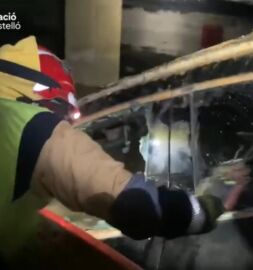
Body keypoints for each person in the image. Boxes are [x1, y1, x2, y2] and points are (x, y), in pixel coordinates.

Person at [0, 36, 225, 257]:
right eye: (66, 117)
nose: (66, 125)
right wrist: (201, 211)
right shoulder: (36, 126)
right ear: (51, 98)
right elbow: (136, 205)